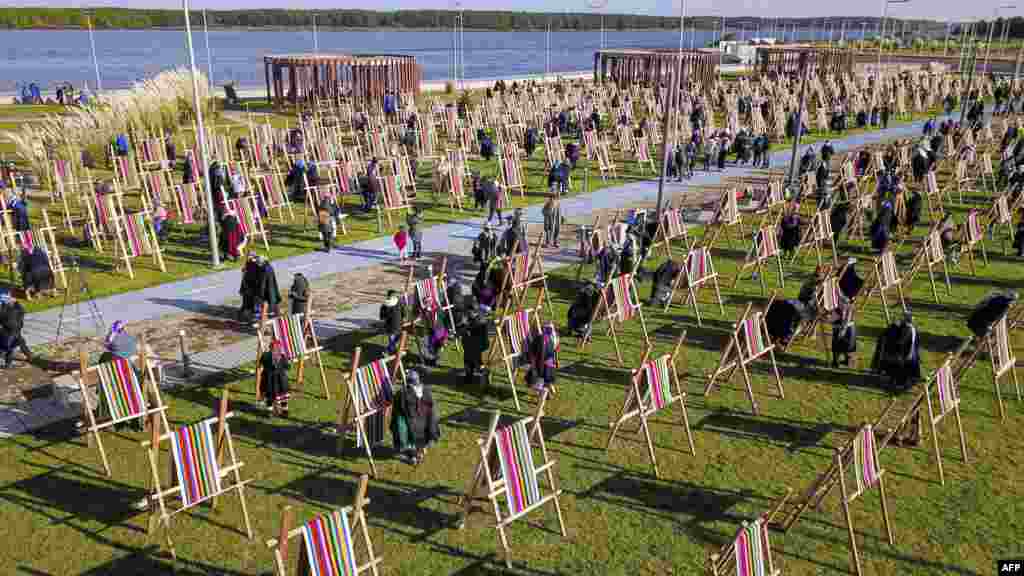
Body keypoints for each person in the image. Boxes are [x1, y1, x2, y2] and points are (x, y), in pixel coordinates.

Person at [390, 368, 439, 465]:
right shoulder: (427, 391)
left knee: (399, 420)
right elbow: (431, 409)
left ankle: (413, 454)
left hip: (411, 426)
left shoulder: (403, 394)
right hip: (426, 425)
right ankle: (419, 451)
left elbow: (399, 410)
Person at [871, 312, 921, 393]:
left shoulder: (907, 329)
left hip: (906, 358)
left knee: (889, 357)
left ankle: (895, 380)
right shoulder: (911, 328)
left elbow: (900, 344)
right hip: (911, 356)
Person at [258, 339, 290, 416]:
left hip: (267, 380)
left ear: (270, 347)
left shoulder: (265, 355)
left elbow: (260, 364)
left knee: (269, 396)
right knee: (283, 396)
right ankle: (284, 410)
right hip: (281, 381)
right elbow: (288, 367)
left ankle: (269, 411)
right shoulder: (282, 357)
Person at [0, 292, 31, 368]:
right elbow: (20, 312)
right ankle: (8, 363)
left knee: (19, 343)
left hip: (13, 331)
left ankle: (29, 355)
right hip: (11, 331)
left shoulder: (9, 308)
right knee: (10, 347)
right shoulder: (9, 309)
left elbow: (21, 313)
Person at [462, 306, 490, 387]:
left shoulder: (480, 320)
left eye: (470, 312)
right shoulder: (471, 319)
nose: (468, 314)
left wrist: (466, 327)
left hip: (479, 345)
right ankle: (469, 376)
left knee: (476, 360)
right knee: (469, 360)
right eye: (468, 313)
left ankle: (483, 376)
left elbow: (474, 328)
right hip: (472, 345)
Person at [526, 324, 558, 393]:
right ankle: (547, 388)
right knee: (543, 382)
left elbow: (533, 354)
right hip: (551, 369)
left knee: (539, 386)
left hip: (542, 369)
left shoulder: (540, 339)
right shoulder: (553, 340)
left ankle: (543, 395)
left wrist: (533, 366)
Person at [831, 294, 857, 368]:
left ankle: (836, 362)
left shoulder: (841, 308)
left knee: (837, 346)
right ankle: (846, 360)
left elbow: (832, 319)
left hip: (844, 328)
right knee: (847, 346)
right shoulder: (849, 306)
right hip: (849, 328)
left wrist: (843, 329)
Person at [238, 253, 263, 321]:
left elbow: (257, 277)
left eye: (250, 257)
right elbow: (245, 277)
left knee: (253, 303)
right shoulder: (248, 264)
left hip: (253, 288)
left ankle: (254, 315)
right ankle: (247, 314)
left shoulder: (256, 265)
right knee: (247, 303)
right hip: (247, 288)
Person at [380, 290, 405, 354]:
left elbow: (382, 317)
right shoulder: (398, 302)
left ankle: (389, 350)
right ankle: (392, 351)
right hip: (395, 324)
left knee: (393, 339)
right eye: (395, 295)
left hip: (393, 325)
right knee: (394, 339)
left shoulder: (386, 304)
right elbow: (403, 312)